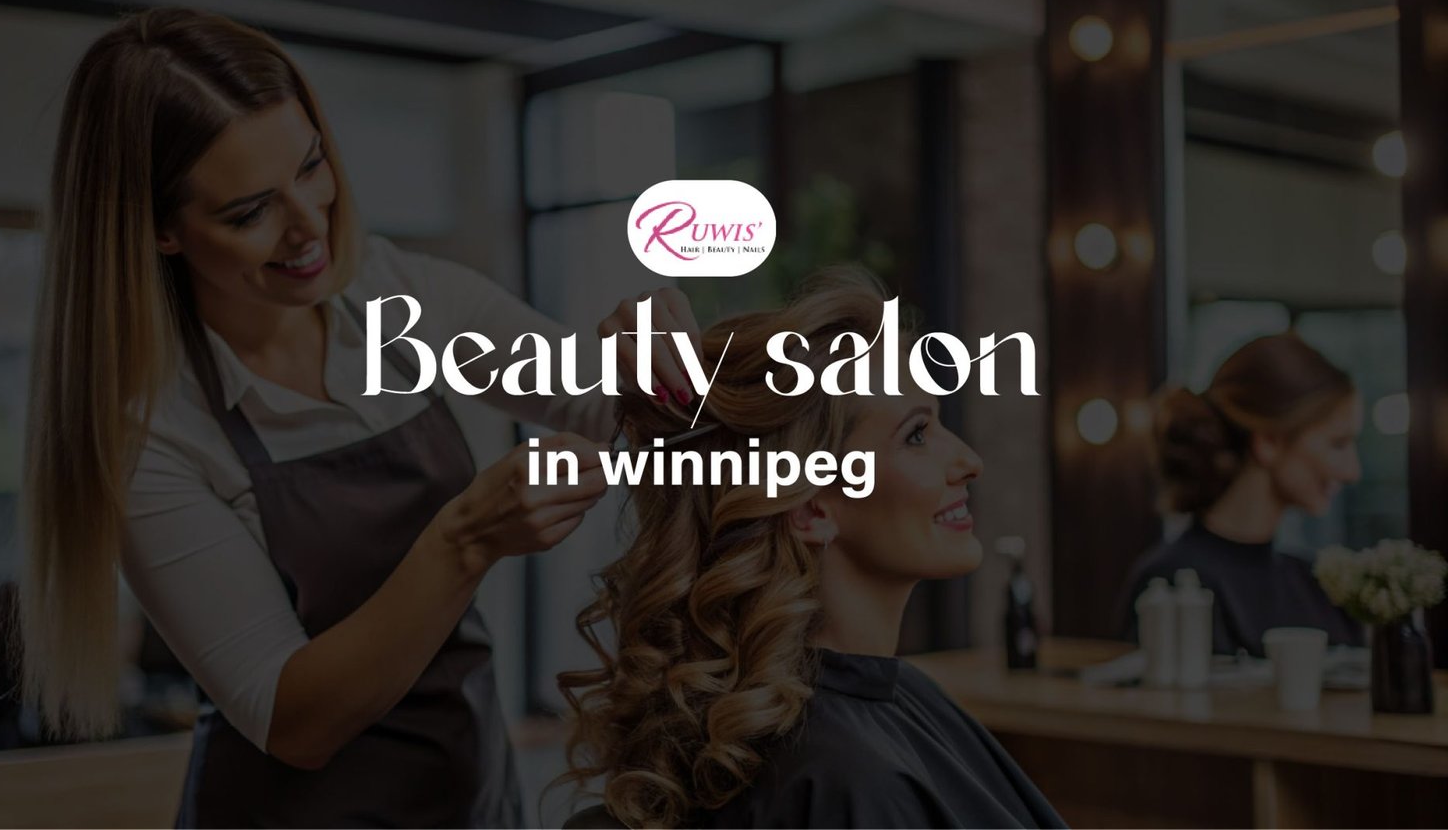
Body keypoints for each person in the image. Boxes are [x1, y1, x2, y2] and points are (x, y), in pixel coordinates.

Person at [17, 8, 702, 827]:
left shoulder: (395, 293)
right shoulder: (152, 432)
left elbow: (603, 406)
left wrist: (665, 365)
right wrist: (464, 539)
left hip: (466, 787)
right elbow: (296, 720)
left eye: (311, 166)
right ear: (159, 228)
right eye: (249, 212)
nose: (310, 225)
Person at [555, 270, 1064, 829]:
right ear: (812, 507)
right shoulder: (854, 777)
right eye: (917, 435)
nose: (969, 460)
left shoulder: (874, 718)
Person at [1118, 333, 1366, 657]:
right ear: (1269, 443)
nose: (1352, 472)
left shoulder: (1316, 586)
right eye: (1338, 444)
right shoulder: (1171, 587)